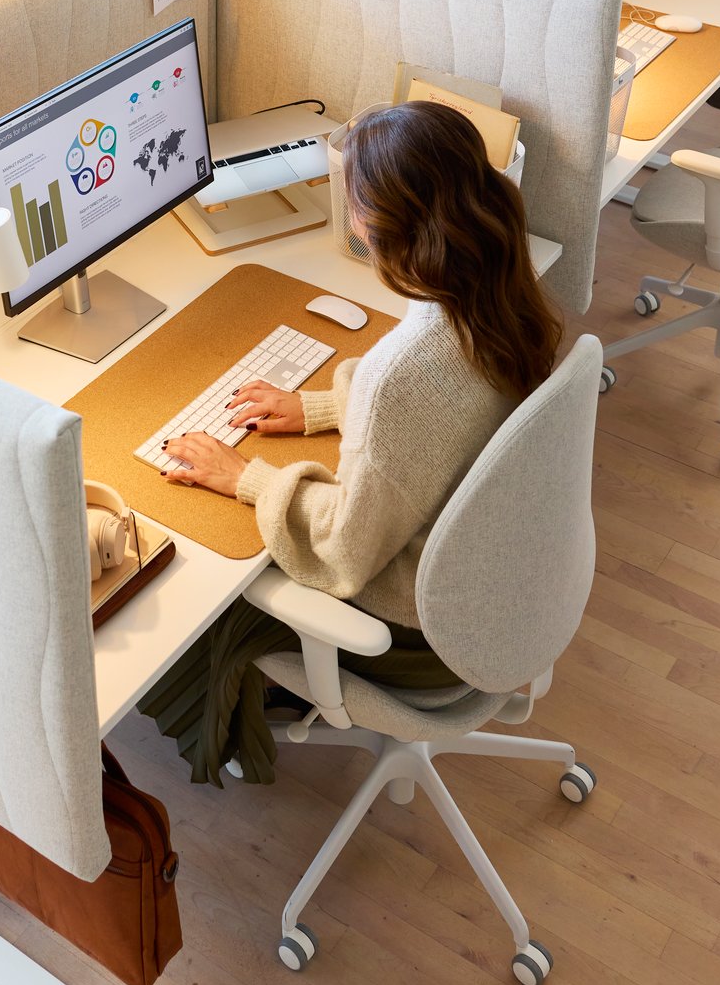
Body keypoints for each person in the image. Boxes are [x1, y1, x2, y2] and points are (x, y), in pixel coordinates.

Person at [138, 100, 562, 785]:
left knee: (195, 590)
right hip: (506, 585)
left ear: (380, 227)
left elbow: (345, 549)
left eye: (353, 199)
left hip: (426, 637)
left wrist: (243, 477)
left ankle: (233, 730)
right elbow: (452, 407)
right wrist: (324, 408)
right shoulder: (498, 291)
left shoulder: (403, 377)